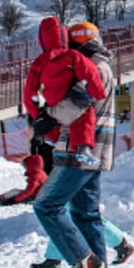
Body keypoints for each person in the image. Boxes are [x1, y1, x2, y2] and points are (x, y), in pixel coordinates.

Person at [31, 22, 134, 268]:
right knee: (84, 214)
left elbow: (74, 104)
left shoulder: (93, 67)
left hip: (80, 149)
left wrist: (47, 115)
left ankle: (85, 265)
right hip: (91, 150)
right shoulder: (97, 65)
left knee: (47, 206)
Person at [24, 17, 108, 168]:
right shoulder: (74, 56)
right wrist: (98, 92)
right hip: (69, 94)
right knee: (84, 117)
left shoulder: (39, 61)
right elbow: (89, 73)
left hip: (52, 96)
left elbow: (30, 89)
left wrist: (35, 111)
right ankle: (83, 147)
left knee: (53, 119)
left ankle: (51, 139)